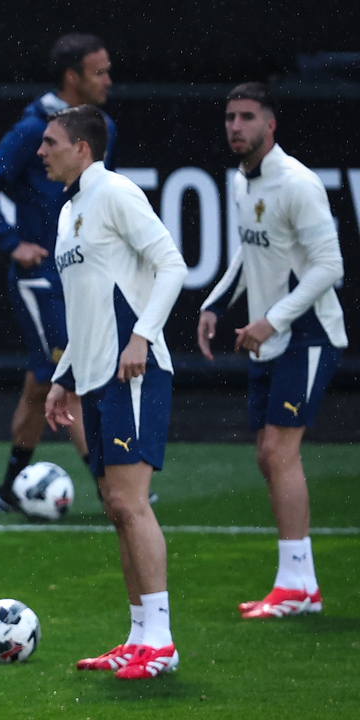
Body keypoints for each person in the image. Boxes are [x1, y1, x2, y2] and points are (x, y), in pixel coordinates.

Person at [38, 106, 187, 679]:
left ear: (82, 147)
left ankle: (163, 642)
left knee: (130, 503)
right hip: (96, 376)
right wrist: (63, 379)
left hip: (134, 373)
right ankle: (137, 636)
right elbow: (87, 311)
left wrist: (142, 338)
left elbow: (171, 265)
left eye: (50, 142)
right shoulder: (69, 213)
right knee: (116, 508)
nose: (41, 151)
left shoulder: (116, 192)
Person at [197, 83, 347, 619]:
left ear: (270, 124)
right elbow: (247, 247)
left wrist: (271, 319)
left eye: (247, 117)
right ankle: (298, 583)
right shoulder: (244, 181)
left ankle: (297, 588)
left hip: (307, 334)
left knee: (278, 453)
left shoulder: (298, 184)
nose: (236, 126)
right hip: (272, 335)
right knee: (268, 454)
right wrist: (216, 302)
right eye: (230, 117)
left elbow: (331, 268)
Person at [0, 33, 117, 513]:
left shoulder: (100, 126)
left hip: (78, 274)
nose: (108, 80)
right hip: (42, 280)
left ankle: (10, 487)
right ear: (72, 77)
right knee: (67, 373)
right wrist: (12, 242)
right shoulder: (35, 129)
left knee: (41, 384)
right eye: (99, 72)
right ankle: (109, 483)